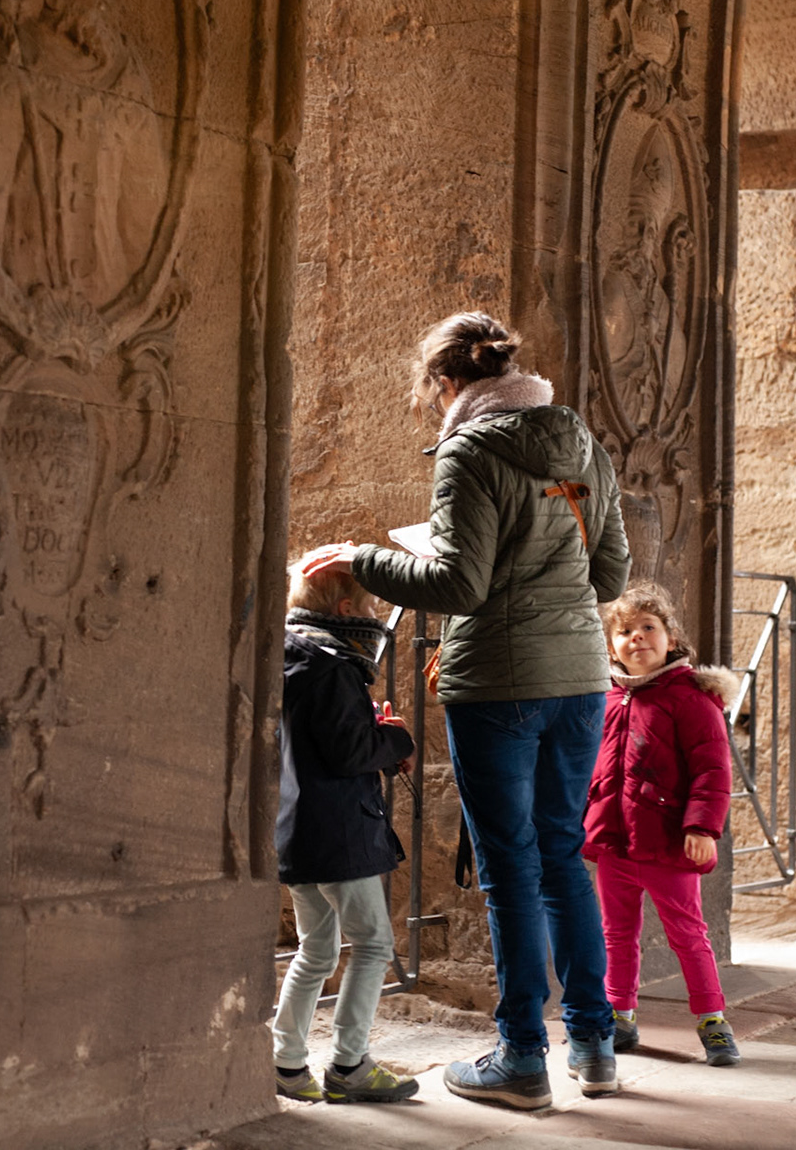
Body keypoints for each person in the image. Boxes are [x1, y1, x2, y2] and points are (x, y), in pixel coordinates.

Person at [338, 311, 631, 1109]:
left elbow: (459, 585)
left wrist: (364, 559)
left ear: (445, 382)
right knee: (563, 856)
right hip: (580, 679)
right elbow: (608, 578)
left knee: (509, 868)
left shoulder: (469, 451)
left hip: (500, 685)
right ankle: (595, 1046)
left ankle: (522, 1058)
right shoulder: (584, 446)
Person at [271, 549, 420, 1103]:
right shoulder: (333, 666)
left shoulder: (291, 657)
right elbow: (349, 752)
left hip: (299, 829)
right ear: (347, 607)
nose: (376, 614)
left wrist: (369, 730)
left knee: (316, 950)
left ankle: (286, 1063)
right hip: (339, 832)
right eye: (372, 603)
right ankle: (349, 1064)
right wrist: (396, 739)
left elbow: (324, 741)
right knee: (375, 945)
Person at [585, 581, 741, 1067]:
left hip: (669, 843)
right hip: (614, 844)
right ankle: (619, 1014)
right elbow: (590, 767)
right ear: (611, 646)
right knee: (616, 933)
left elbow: (712, 769)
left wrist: (702, 828)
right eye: (625, 631)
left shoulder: (691, 699)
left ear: (670, 638)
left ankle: (713, 1020)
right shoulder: (605, 699)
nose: (637, 637)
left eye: (648, 627)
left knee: (687, 934)